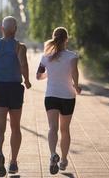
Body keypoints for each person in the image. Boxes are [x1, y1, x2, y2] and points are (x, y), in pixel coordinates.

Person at [0, 16, 31, 177]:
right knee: (15, 127)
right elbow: (23, 64)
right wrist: (27, 80)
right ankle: (13, 163)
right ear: (15, 29)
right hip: (15, 89)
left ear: (2, 29)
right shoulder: (19, 47)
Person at [36, 27, 81, 175]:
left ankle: (52, 155)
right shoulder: (72, 56)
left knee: (52, 127)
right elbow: (74, 73)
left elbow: (38, 76)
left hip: (51, 96)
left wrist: (49, 74)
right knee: (64, 129)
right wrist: (77, 86)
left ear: (54, 37)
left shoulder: (45, 57)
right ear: (67, 39)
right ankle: (63, 160)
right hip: (68, 96)